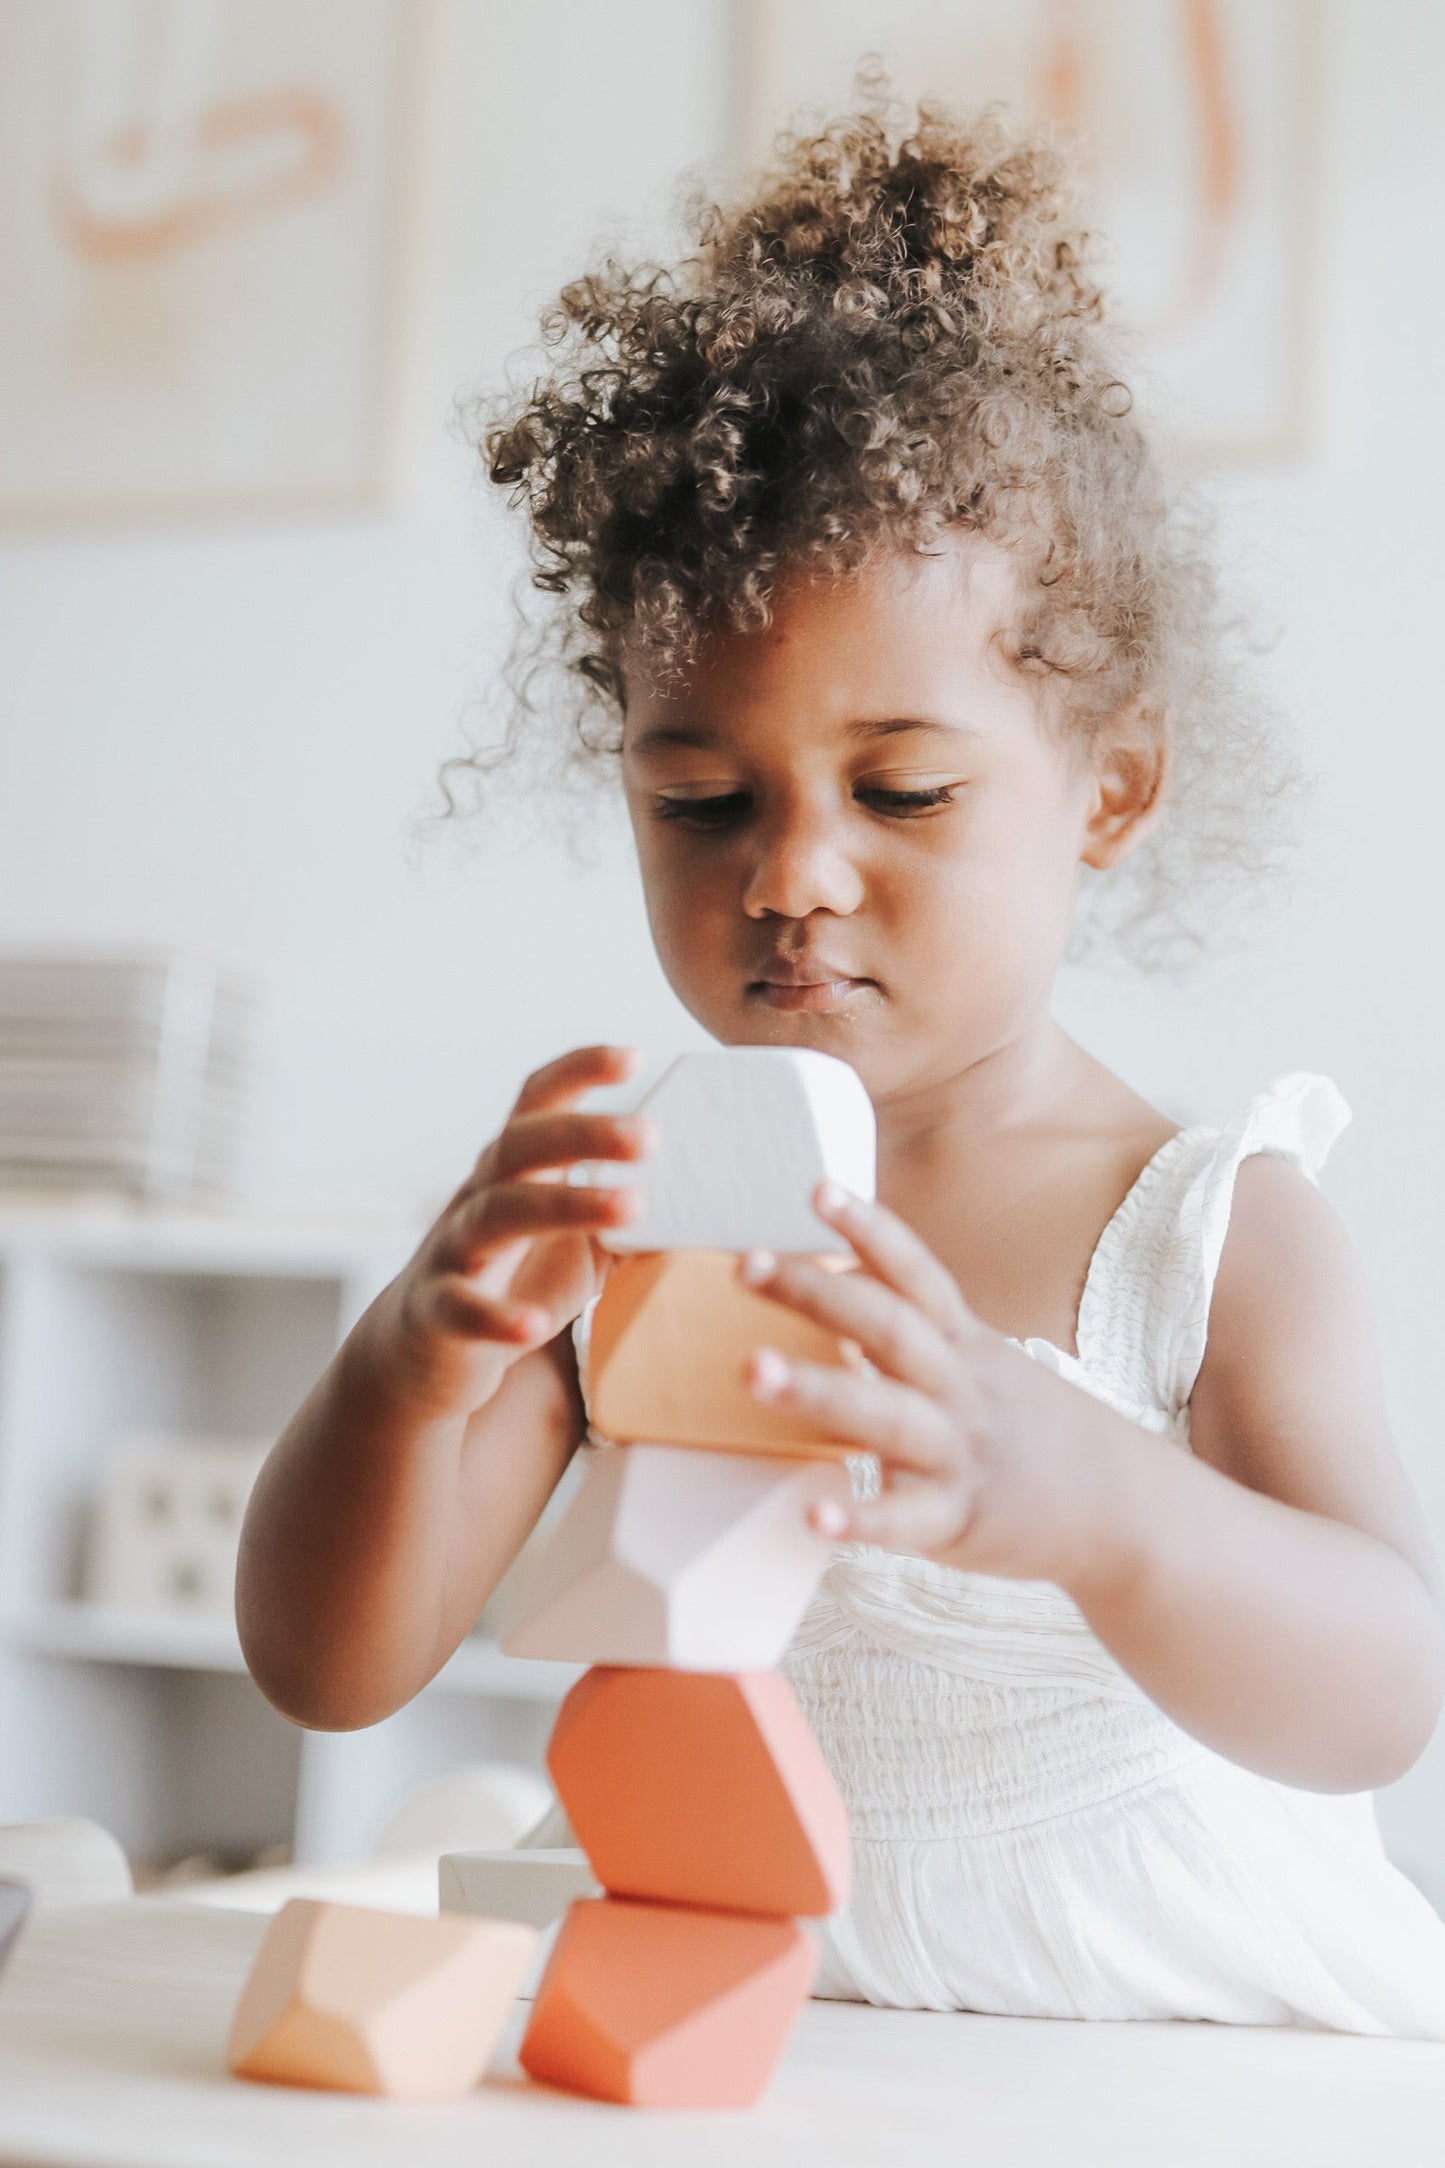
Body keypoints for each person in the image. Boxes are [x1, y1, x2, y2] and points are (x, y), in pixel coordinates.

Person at [237, 103, 1445, 2034]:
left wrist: (1088, 1499)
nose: (790, 875)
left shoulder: (1209, 1229)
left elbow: (1382, 1685)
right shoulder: (638, 1216)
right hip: (742, 2008)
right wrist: (410, 1362)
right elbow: (327, 1666)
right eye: (700, 800)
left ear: (1107, 791)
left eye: (902, 790)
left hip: (1159, 2030)